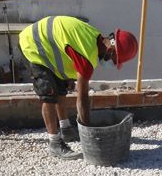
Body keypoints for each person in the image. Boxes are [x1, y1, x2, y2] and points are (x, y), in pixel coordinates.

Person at [18, 16, 138, 159]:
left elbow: (68, 45)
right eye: (114, 60)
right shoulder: (87, 56)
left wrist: (69, 78)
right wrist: (89, 132)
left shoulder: (94, 36)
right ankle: (54, 143)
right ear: (111, 50)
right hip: (33, 44)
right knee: (49, 94)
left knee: (62, 86)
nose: (111, 62)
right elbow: (82, 99)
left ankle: (66, 129)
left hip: (48, 46)